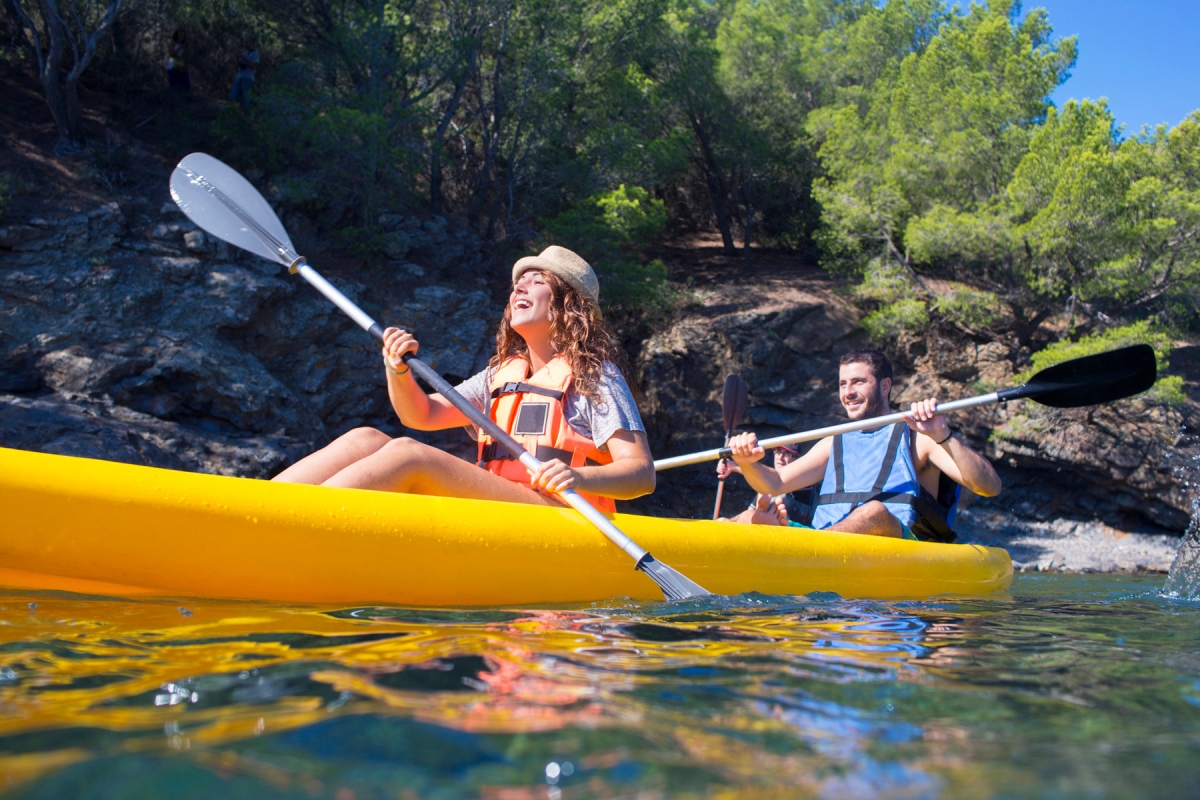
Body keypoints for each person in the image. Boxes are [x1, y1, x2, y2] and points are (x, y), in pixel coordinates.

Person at [273, 246, 655, 511]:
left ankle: (296, 521)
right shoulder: (500, 375)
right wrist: (398, 370)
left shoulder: (596, 377)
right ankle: (259, 506)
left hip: (556, 512)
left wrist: (578, 477)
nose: (518, 286)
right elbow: (421, 415)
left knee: (410, 455)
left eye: (536, 280)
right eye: (517, 284)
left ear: (568, 306)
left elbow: (640, 474)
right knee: (366, 439)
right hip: (504, 507)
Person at [725, 348, 1002, 541]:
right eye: (843, 384)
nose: (848, 393)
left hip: (898, 547)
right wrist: (748, 463)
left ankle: (800, 546)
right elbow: (774, 483)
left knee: (873, 512)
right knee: (744, 518)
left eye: (858, 382)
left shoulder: (918, 438)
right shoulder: (835, 441)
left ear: (884, 386)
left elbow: (989, 487)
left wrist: (943, 433)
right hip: (830, 544)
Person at [229, 38, 259, 112]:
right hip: (239, 77)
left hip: (248, 78)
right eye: (244, 43)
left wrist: (243, 57)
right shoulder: (244, 53)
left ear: (251, 43)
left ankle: (246, 116)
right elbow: (236, 68)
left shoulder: (255, 53)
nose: (245, 44)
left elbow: (254, 67)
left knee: (246, 99)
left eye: (247, 42)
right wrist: (237, 58)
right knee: (232, 97)